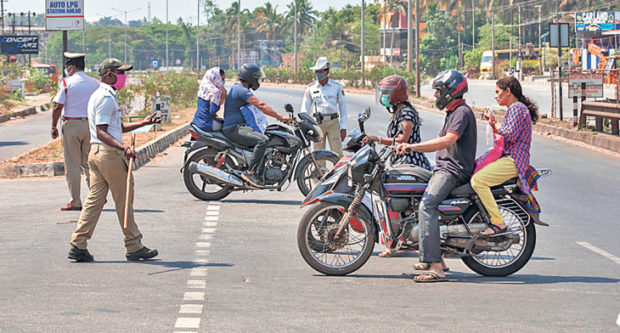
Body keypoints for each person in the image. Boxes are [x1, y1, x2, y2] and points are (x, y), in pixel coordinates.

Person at [68, 58, 161, 262]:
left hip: (97, 154)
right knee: (124, 199)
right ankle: (134, 245)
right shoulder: (105, 98)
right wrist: (123, 147)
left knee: (95, 200)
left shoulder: (101, 95)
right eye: (120, 73)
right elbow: (102, 132)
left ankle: (78, 243)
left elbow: (115, 127)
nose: (123, 78)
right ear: (109, 75)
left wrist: (144, 123)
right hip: (109, 154)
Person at [396, 69, 476, 283]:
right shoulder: (453, 112)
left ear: (450, 91)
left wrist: (412, 147)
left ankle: (436, 267)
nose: (435, 96)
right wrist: (405, 146)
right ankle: (429, 254)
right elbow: (437, 140)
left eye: (438, 91)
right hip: (442, 167)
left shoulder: (461, 113)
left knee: (427, 206)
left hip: (452, 171)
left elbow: (446, 141)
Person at [362, 75, 431, 257]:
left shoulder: (406, 113)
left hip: (410, 161)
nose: (384, 96)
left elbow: (403, 139)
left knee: (395, 201)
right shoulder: (398, 111)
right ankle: (397, 240)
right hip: (399, 160)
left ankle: (397, 241)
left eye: (387, 93)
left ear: (397, 94)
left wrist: (377, 139)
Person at [471, 76, 539, 235]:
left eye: (497, 92)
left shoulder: (517, 108)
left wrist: (493, 123)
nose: (495, 96)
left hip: (513, 160)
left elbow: (510, 135)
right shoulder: (515, 108)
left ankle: (498, 222)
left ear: (507, 91)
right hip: (511, 158)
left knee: (478, 181)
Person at [222, 64, 291, 188]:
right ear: (250, 78)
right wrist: (281, 117)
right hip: (234, 129)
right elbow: (261, 105)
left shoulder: (240, 89)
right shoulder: (241, 90)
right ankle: (251, 173)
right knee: (262, 140)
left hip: (238, 127)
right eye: (257, 78)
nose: (258, 81)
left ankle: (258, 169)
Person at [51, 52, 100, 211]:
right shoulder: (95, 83)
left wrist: (53, 126)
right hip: (90, 126)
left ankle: (75, 201)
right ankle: (97, 197)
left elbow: (58, 106)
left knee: (72, 164)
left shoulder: (67, 83)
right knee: (89, 163)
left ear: (70, 67)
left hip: (72, 125)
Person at [300, 57, 347, 160]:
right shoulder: (311, 88)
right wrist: (305, 126)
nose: (318, 74)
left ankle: (339, 175)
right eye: (316, 72)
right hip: (317, 123)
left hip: (333, 123)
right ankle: (319, 176)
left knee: (337, 153)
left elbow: (343, 108)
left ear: (327, 72)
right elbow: (305, 108)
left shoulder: (337, 87)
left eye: (320, 71)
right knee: (318, 155)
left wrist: (343, 127)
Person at [191, 67, 226, 132]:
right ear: (216, 78)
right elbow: (213, 110)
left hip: (197, 120)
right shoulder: (215, 91)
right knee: (228, 127)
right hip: (206, 123)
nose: (223, 81)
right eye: (222, 79)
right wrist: (223, 96)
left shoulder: (204, 88)